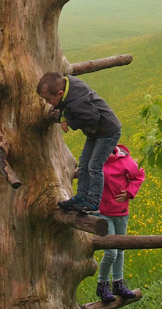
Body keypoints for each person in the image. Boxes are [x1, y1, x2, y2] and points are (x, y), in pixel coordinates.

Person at [37, 72, 121, 214]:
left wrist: (69, 122)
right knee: (83, 164)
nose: (47, 103)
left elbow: (92, 118)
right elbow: (64, 104)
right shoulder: (69, 86)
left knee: (94, 166)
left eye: (48, 99)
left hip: (108, 131)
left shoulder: (77, 101)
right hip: (95, 132)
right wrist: (63, 116)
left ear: (60, 93)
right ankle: (81, 197)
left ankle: (93, 202)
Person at [96, 145, 145, 304]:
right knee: (111, 253)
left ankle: (118, 283)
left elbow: (139, 174)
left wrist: (130, 192)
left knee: (121, 249)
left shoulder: (124, 160)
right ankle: (102, 284)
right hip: (103, 213)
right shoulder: (96, 160)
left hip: (121, 212)